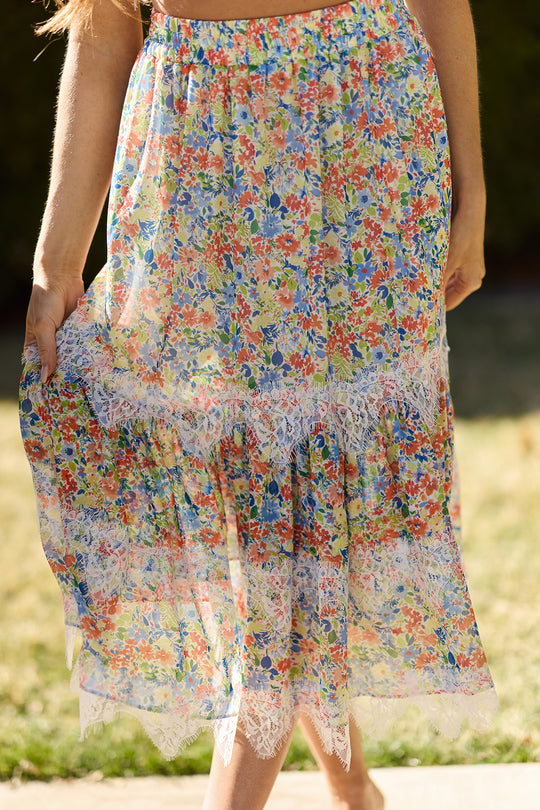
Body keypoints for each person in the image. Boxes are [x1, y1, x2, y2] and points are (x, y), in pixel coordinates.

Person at [19, 1, 497, 808]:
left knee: (302, 500)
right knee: (261, 497)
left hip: (362, 131)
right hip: (198, 153)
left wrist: (471, 186)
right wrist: (57, 258)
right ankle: (356, 794)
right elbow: (105, 27)